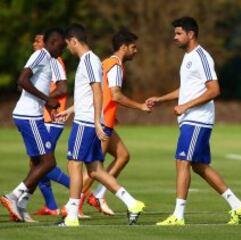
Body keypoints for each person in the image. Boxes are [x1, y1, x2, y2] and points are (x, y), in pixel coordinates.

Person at [146, 17, 241, 225]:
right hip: (191, 119)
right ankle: (238, 205)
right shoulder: (188, 57)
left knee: (182, 161)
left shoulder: (202, 57)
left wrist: (186, 106)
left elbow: (214, 90)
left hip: (197, 119)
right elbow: (186, 89)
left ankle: (178, 215)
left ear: (191, 34)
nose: (174, 37)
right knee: (199, 166)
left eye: (178, 33)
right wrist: (161, 98)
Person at [56, 23, 145, 227]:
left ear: (73, 41)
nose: (67, 48)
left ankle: (71, 216)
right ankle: (132, 204)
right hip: (89, 120)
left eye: (68, 44)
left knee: (74, 164)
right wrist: (70, 110)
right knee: (95, 170)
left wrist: (96, 121)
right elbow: (88, 95)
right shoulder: (93, 60)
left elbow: (98, 92)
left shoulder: (88, 60)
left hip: (86, 122)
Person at [79, 28, 151, 216]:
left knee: (123, 156)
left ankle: (99, 195)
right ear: (123, 47)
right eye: (133, 47)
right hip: (102, 123)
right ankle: (74, 205)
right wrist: (140, 106)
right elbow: (116, 95)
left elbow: (100, 92)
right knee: (95, 168)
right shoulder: (116, 66)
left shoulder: (106, 62)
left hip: (104, 119)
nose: (136, 51)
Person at [0, 28, 66, 222]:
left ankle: (20, 205)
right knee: (49, 162)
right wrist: (47, 99)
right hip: (29, 116)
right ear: (53, 42)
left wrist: (46, 101)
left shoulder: (50, 60)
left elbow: (58, 86)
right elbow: (22, 80)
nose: (63, 49)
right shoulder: (40, 55)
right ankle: (12, 197)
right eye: (62, 45)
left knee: (38, 163)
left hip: (29, 115)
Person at [31, 32, 71, 217]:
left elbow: (62, 88)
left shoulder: (54, 61)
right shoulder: (41, 61)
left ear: (48, 42)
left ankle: (79, 188)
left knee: (43, 162)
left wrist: (42, 98)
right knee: (37, 162)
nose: (34, 43)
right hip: (44, 117)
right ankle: (51, 206)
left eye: (38, 40)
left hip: (53, 118)